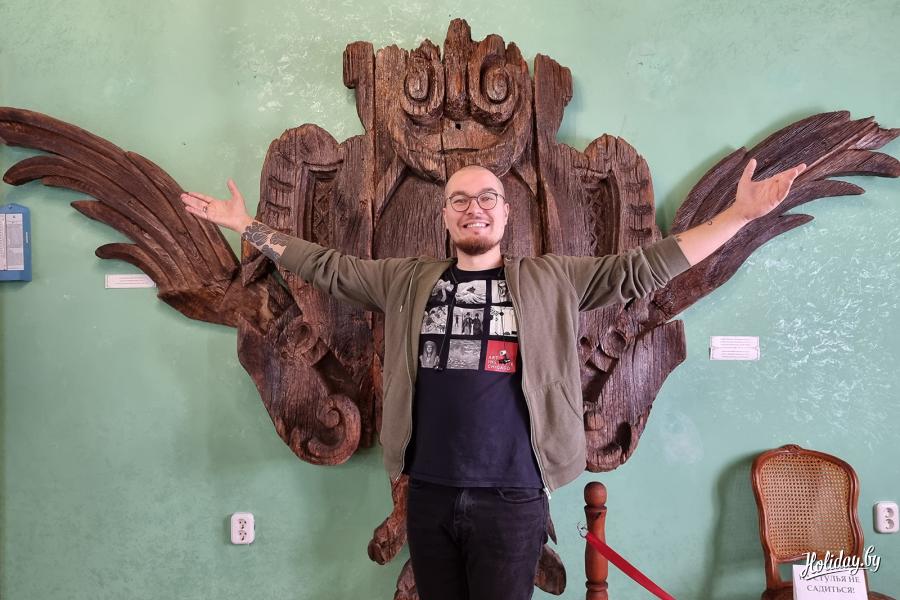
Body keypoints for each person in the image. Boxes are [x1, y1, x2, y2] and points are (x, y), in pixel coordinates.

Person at [180, 159, 805, 600]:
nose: (473, 208)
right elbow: (328, 267)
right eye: (459, 200)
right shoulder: (406, 280)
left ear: (505, 213)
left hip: (513, 495)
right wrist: (247, 227)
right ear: (445, 216)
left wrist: (738, 217)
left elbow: (644, 268)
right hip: (427, 491)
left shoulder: (552, 279)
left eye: (486, 198)